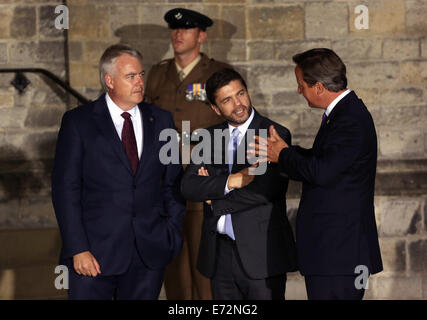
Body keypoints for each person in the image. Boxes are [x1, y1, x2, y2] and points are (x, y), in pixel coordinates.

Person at [51, 44, 186, 300]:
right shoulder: (78, 122)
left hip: (149, 253)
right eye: (131, 76)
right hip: (93, 255)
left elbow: (172, 181)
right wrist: (78, 248)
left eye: (141, 75)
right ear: (109, 80)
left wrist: (171, 232)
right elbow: (65, 189)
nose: (139, 82)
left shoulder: (162, 120)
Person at [250, 48, 383, 300]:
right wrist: (286, 151)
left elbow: (321, 172)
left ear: (319, 87)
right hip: (335, 252)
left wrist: (283, 155)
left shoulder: (350, 120)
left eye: (301, 85)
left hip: (339, 254)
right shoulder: (345, 113)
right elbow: (327, 161)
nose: (299, 91)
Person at [180, 68, 297, 300]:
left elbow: (265, 191)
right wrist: (232, 180)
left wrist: (214, 195)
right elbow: (188, 186)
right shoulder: (208, 137)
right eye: (227, 100)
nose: (238, 104)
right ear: (215, 108)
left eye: (241, 94)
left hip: (262, 254)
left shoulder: (273, 133)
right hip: (219, 255)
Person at [144, 8, 232, 300]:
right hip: (163, 181)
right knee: (172, 259)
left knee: (205, 261)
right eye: (174, 29)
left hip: (204, 179)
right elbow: (143, 120)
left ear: (201, 36)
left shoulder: (218, 74)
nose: (178, 34)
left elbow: (235, 123)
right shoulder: (157, 73)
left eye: (186, 29)